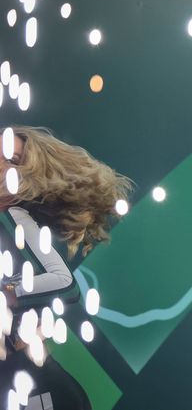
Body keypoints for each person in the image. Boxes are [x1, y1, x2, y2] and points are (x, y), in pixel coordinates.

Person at [0, 126, 132, 410]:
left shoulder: (14, 217)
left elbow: (64, 283)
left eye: (11, 159)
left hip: (33, 383)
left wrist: (8, 292)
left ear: (25, 178)